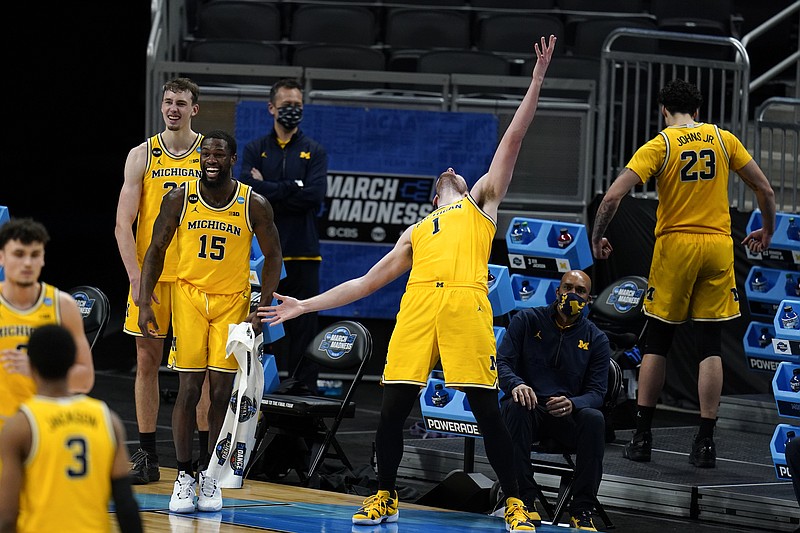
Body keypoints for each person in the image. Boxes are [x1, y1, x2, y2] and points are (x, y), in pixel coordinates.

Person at [260, 36, 557, 532]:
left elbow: (513, 140)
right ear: (434, 191)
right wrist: (303, 305)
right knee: (393, 408)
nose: (451, 172)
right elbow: (363, 283)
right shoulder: (415, 232)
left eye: (456, 172)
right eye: (445, 174)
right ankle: (385, 494)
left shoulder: (481, 200)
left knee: (487, 410)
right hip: (418, 309)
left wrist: (536, 81)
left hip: (465, 305)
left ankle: (518, 501)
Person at [591, 79, 776, 468]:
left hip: (675, 247)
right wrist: (768, 230)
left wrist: (598, 237)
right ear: (698, 110)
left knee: (658, 340)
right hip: (717, 246)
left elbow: (611, 196)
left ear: (663, 110)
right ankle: (706, 442)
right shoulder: (723, 139)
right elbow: (765, 190)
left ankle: (642, 438)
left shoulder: (661, 144)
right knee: (710, 344)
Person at [139, 130, 282, 514]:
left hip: (232, 302)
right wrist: (143, 300)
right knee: (188, 389)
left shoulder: (254, 203)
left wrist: (262, 306)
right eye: (206, 154)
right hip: (188, 297)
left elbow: (273, 256)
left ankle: (208, 473)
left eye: (219, 154)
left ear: (232, 159)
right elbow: (155, 249)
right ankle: (183, 476)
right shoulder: (179, 197)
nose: (211, 160)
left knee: (220, 394)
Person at [115, 76, 212, 484]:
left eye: (181, 103)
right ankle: (148, 456)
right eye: (168, 101)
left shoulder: (210, 154)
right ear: (162, 106)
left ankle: (206, 463)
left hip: (195, 277)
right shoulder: (142, 155)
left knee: (201, 370)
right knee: (146, 361)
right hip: (153, 278)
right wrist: (137, 278)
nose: (173, 108)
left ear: (195, 109)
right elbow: (123, 224)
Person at [0, 324, 142, 533]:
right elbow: (125, 505)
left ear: (30, 365)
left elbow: (7, 516)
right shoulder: (107, 419)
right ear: (73, 363)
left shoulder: (20, 426)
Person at [497, 270, 610, 532]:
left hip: (566, 416)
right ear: (557, 291)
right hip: (529, 409)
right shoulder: (526, 320)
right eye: (567, 288)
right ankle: (523, 500)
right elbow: (501, 363)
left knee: (594, 418)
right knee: (515, 407)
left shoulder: (597, 339)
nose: (572, 294)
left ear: (588, 299)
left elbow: (597, 392)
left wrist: (575, 404)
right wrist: (517, 384)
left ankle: (581, 510)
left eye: (580, 291)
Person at [238, 78, 328, 393]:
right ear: (272, 108)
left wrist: (271, 188)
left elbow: (315, 195)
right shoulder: (254, 149)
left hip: (303, 252)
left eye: (298, 106)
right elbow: (248, 192)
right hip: (263, 255)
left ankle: (305, 391)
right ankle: (259, 389)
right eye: (287, 105)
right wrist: (294, 186)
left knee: (305, 326)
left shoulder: (314, 151)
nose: (293, 111)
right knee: (263, 322)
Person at [0, 218, 94, 435]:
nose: (27, 263)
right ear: (2, 257)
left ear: (43, 259)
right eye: (19, 254)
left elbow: (85, 379)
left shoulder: (63, 306)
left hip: (45, 428)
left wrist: (37, 370)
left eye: (35, 255)